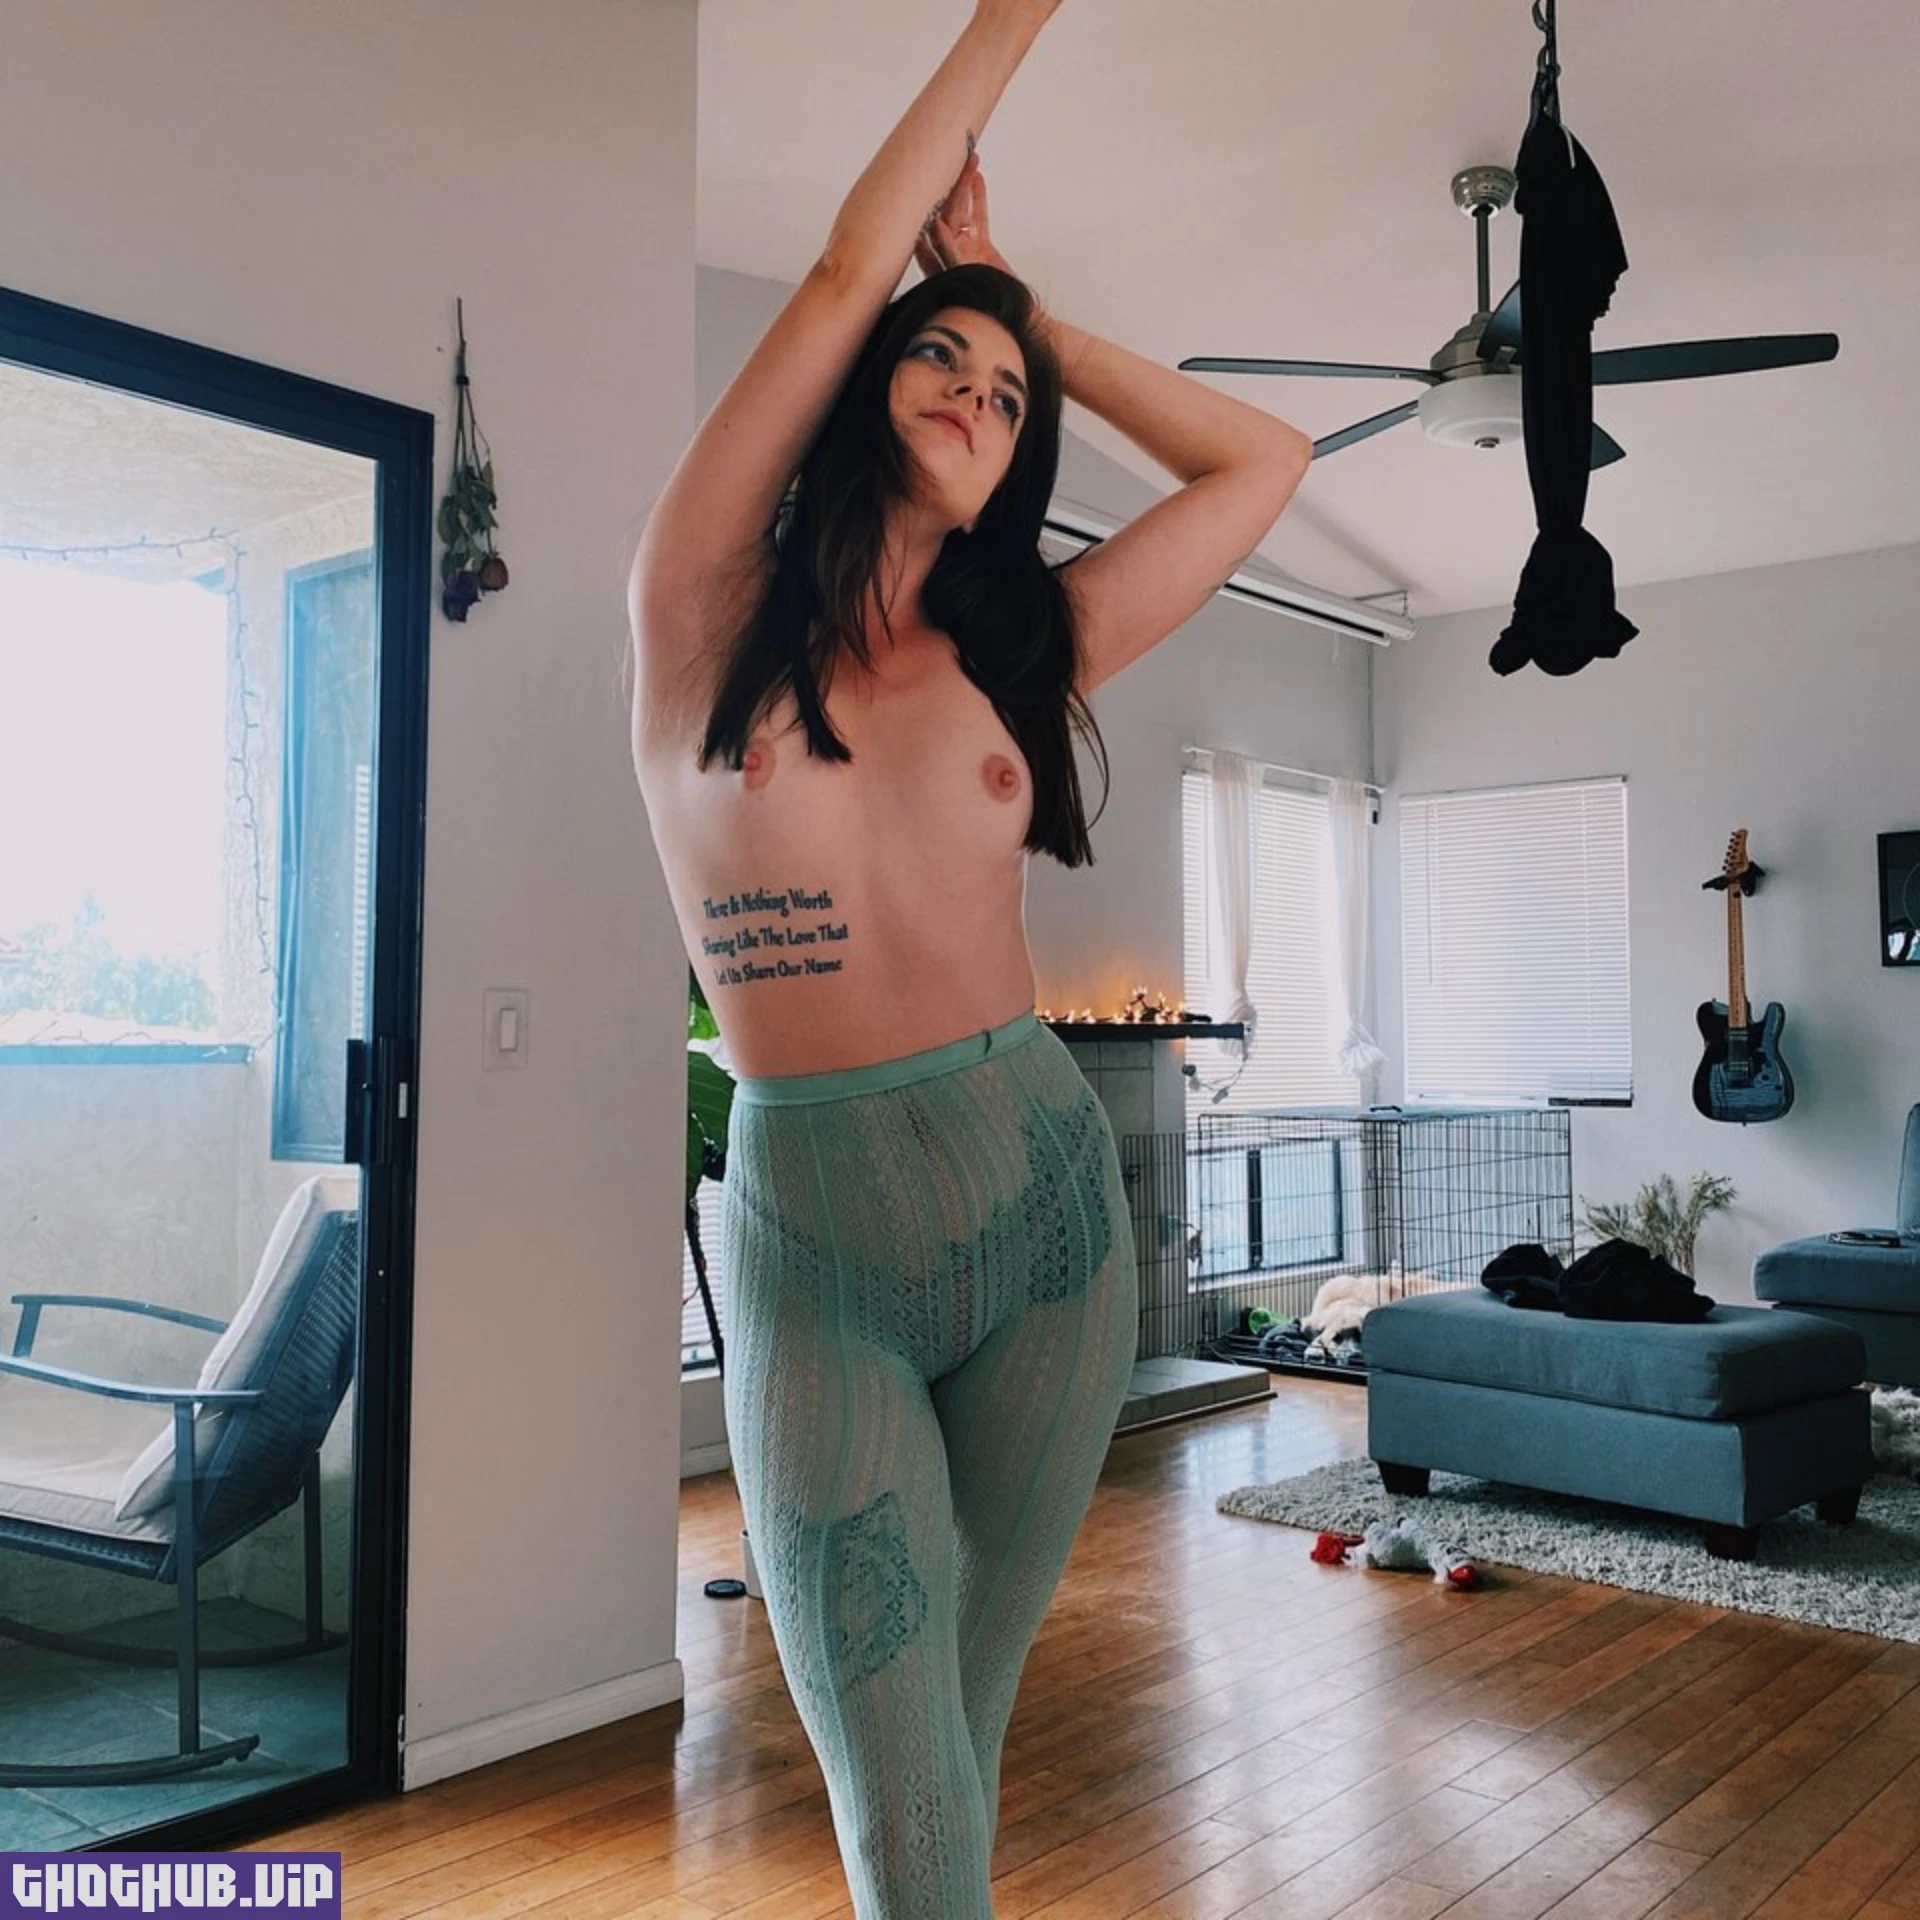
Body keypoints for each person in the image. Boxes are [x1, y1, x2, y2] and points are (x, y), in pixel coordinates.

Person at [630, 4, 1309, 1911]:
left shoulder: (1026, 643)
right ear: (870, 382)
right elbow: (849, 262)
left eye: (1012, 403)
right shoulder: (697, 603)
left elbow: (1264, 462)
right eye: (942, 361)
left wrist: (1036, 321)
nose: (978, 398)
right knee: (897, 1779)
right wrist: (1010, 35)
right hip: (816, 1248)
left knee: (955, 1735)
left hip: (1047, 1230)